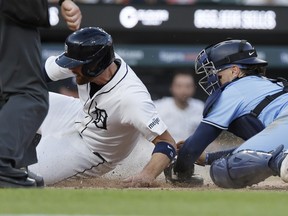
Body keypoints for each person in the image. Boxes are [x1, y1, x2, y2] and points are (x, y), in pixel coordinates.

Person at [28, 26, 177, 187]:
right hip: (75, 114)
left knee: (19, 175)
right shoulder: (87, 60)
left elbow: (167, 143)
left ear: (96, 65)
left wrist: (147, 174)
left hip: (92, 151)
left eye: (75, 65)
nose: (70, 68)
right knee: (16, 97)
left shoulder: (131, 98)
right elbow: (38, 75)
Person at [165, 39, 288, 188]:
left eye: (218, 72)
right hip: (283, 130)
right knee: (260, 157)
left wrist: (180, 171)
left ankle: (283, 162)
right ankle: (282, 160)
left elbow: (193, 148)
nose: (214, 76)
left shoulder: (233, 91)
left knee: (222, 170)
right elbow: (253, 152)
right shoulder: (271, 83)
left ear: (235, 70)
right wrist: (209, 157)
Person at [0, 0, 82, 188]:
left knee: (5, 89)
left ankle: (16, 165)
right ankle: (4, 162)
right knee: (29, 94)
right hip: (11, 9)